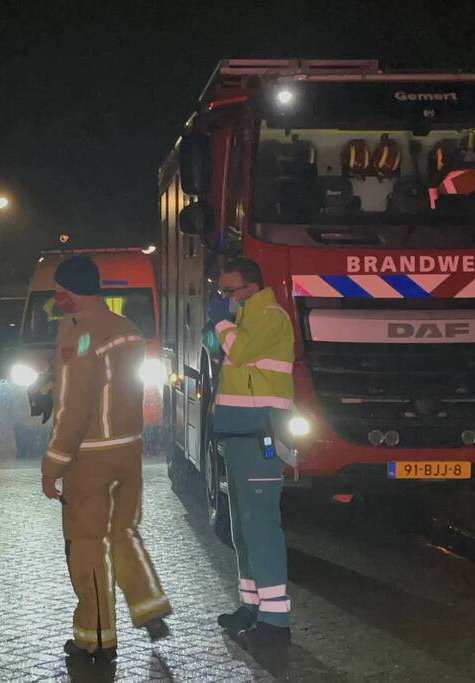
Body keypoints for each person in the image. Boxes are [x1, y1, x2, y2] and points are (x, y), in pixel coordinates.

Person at [41, 255, 171, 662]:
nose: (55, 297)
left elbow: (73, 407)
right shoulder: (127, 329)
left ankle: (95, 638)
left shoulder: (78, 333)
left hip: (90, 457)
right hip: (128, 451)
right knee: (123, 532)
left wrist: (52, 465)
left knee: (86, 547)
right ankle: (149, 604)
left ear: (67, 290)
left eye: (58, 290)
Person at [208, 257, 294, 662]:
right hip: (239, 435)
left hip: (260, 435)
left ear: (252, 286)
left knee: (261, 527)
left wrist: (221, 324)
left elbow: (239, 353)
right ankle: (252, 606)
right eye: (223, 292)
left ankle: (275, 624)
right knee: (241, 527)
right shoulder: (245, 318)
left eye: (231, 290)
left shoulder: (270, 317)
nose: (226, 298)